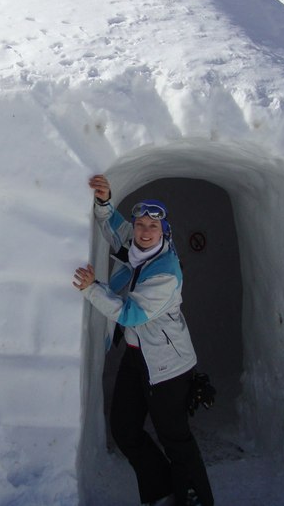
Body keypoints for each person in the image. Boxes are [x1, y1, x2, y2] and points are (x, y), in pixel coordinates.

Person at [73, 174, 214, 506]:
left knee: (175, 439)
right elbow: (115, 229)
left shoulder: (165, 271)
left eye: (153, 226)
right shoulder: (136, 247)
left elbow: (131, 314)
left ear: (164, 233)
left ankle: (196, 500)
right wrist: (104, 201)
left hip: (168, 364)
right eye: (141, 224)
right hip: (138, 357)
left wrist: (92, 289)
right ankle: (164, 490)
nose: (144, 231)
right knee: (124, 429)